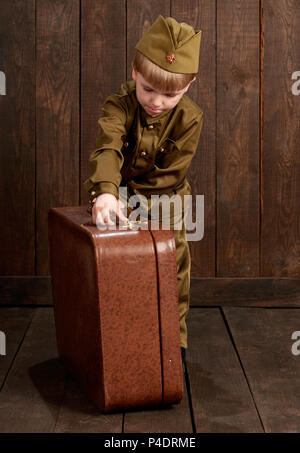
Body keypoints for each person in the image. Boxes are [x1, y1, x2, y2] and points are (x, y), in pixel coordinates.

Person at [83, 15, 204, 367]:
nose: (157, 102)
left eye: (171, 94)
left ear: (189, 84)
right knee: (116, 267)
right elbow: (108, 148)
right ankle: (117, 338)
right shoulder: (117, 104)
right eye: (148, 89)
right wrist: (106, 192)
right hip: (118, 193)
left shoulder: (191, 118)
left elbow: (167, 177)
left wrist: (132, 206)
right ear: (135, 70)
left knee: (173, 264)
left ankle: (173, 340)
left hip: (167, 199)